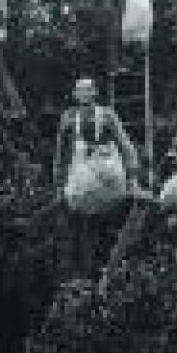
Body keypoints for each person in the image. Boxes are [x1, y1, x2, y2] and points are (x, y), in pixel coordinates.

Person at [53, 76, 140, 276]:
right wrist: (58, 183)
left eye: (88, 89)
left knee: (108, 224)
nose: (84, 94)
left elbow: (125, 145)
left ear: (95, 92)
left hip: (106, 177)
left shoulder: (107, 115)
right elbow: (61, 153)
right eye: (80, 90)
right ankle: (84, 272)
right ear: (75, 94)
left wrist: (133, 177)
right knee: (80, 227)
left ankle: (108, 268)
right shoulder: (68, 117)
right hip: (80, 179)